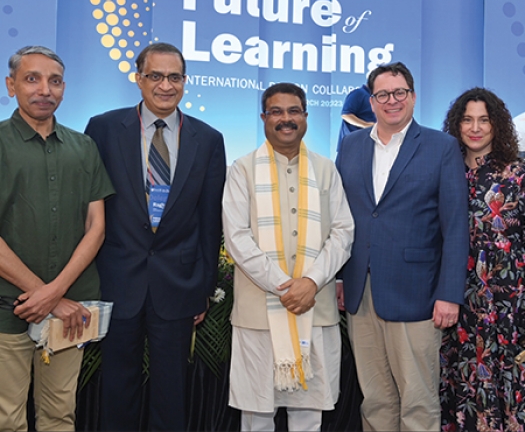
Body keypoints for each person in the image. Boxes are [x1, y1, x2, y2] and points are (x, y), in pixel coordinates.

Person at [85, 42, 226, 431]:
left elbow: (209, 221)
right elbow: (90, 210)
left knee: (171, 394)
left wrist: (204, 287)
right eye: (156, 76)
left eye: (175, 77)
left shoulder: (208, 139)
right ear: (139, 79)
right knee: (117, 389)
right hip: (117, 282)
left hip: (178, 288)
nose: (166, 85)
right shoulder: (103, 128)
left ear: (185, 81)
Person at [336, 61, 469, 432]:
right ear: (372, 100)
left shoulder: (441, 147)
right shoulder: (350, 147)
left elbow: (456, 227)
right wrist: (340, 280)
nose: (391, 100)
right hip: (361, 295)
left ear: (412, 96)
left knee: (418, 402)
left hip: (419, 295)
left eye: (399, 93)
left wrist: (450, 295)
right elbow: (341, 217)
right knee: (375, 400)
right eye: (382, 94)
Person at [223, 82, 354, 432]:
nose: (286, 119)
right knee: (257, 414)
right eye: (277, 112)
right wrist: (286, 287)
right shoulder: (242, 169)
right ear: (263, 118)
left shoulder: (326, 169)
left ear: (306, 117)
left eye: (294, 111)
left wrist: (310, 283)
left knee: (310, 414)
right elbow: (236, 238)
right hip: (258, 313)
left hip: (316, 308)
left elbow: (343, 232)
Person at [0, 45, 114, 431]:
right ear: (11, 85)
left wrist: (57, 295)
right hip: (7, 307)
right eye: (32, 79)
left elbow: (96, 227)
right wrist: (46, 296)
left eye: (54, 81)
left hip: (72, 312)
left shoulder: (84, 147)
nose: (44, 90)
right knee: (7, 420)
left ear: (65, 89)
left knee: (60, 417)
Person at [440, 88, 525, 432]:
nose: (475, 128)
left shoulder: (517, 175)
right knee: (461, 382)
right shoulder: (445, 173)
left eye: (484, 120)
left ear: (497, 125)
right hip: (456, 301)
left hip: (509, 306)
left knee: (509, 384)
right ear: (456, 125)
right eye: (467, 120)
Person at [337, 83, 376, 151]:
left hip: (366, 145)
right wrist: (366, 125)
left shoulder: (375, 98)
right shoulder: (359, 93)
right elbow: (346, 115)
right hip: (352, 145)